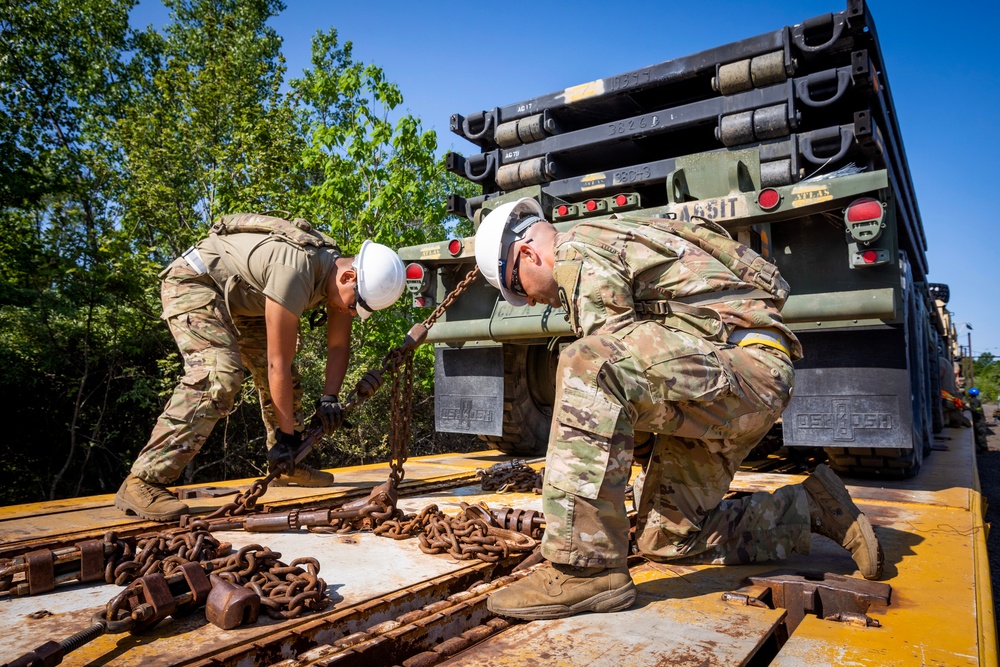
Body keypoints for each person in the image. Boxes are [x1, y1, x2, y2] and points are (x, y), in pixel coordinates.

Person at [473, 198, 884, 620]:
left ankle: (583, 568)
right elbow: (638, 376)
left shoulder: (576, 251)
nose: (532, 301)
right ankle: (812, 508)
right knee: (665, 539)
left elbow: (605, 369)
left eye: (518, 288)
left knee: (586, 364)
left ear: (527, 254)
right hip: (731, 387)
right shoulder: (609, 240)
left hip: (743, 369)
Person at [114, 214, 405, 522]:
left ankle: (284, 466)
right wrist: (285, 436)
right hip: (196, 282)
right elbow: (275, 362)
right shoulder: (295, 271)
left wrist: (329, 399)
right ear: (348, 277)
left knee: (287, 383)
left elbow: (338, 346)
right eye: (352, 306)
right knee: (219, 374)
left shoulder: (343, 279)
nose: (349, 312)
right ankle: (144, 480)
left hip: (245, 297)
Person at [968, 387, 988, 454]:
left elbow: (974, 410)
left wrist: (966, 408)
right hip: (979, 419)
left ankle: (984, 449)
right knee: (979, 434)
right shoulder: (975, 400)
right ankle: (982, 448)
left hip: (979, 420)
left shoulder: (973, 401)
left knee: (980, 434)